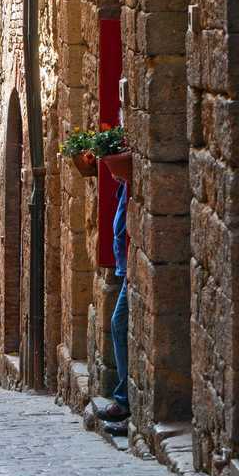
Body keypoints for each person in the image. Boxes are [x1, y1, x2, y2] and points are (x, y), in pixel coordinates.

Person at [96, 179, 129, 435]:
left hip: (131, 268)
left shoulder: (128, 181)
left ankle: (125, 401)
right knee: (119, 324)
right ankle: (124, 399)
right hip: (127, 268)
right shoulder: (122, 185)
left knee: (119, 324)